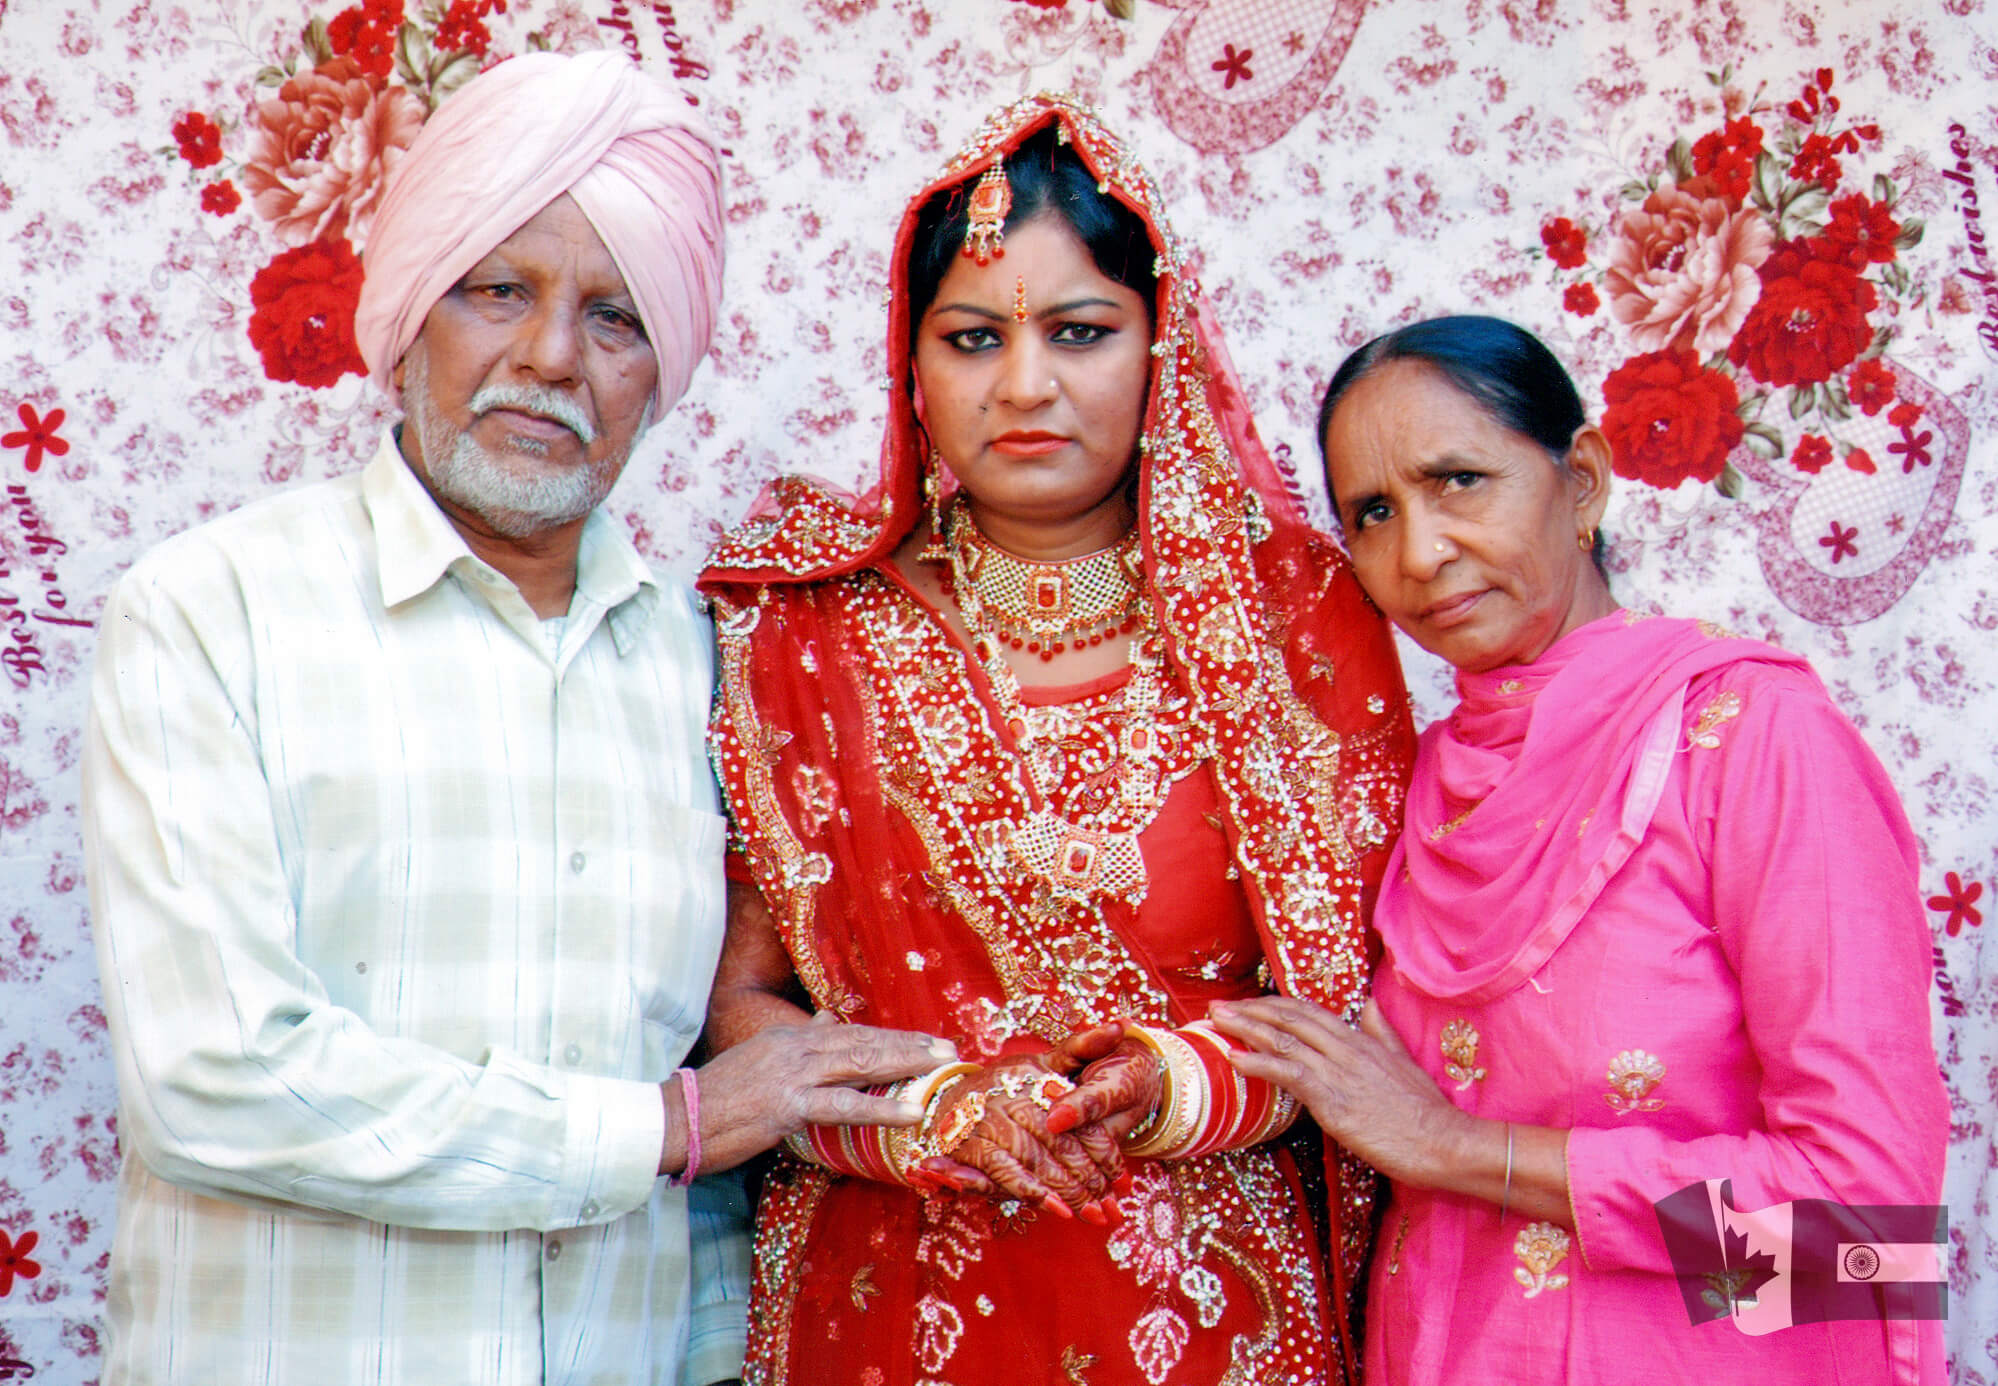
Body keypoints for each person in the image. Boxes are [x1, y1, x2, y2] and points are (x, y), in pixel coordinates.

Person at [80, 51, 950, 1386]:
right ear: (417, 308)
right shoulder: (211, 614)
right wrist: (655, 1126)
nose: (550, 356)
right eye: (499, 290)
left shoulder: (705, 668)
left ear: (661, 368)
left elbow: (721, 1143)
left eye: (614, 316)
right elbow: (215, 1076)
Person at [698, 95, 1414, 1386]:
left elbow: (1367, 1015)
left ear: (1160, 350)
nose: (1024, 386)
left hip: (1212, 1309)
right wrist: (937, 1110)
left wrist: (1162, 1079)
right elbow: (737, 1011)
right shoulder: (801, 625)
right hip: (882, 1287)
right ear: (911, 365)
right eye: (972, 338)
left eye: (1080, 333)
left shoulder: (1296, 612)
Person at [1214, 315, 1949, 1384]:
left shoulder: (1748, 740)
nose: (1420, 552)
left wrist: (1456, 1150)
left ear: (1587, 479)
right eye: (1374, 513)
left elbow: (1863, 1243)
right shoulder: (1407, 787)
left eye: (1460, 479)